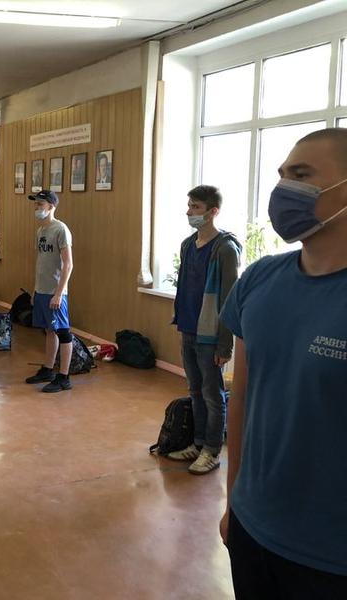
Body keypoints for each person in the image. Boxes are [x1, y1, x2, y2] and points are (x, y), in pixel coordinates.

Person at [219, 128, 347, 597]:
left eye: (301, 174)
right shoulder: (258, 280)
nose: (283, 189)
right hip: (253, 528)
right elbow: (241, 399)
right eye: (281, 175)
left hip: (331, 558)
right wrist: (234, 500)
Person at [168, 185, 241, 475]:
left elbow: (229, 300)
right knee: (195, 389)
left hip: (211, 335)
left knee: (213, 394)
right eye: (189, 206)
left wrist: (225, 345)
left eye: (195, 207)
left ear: (213, 212)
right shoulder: (188, 245)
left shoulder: (225, 249)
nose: (189, 212)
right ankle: (198, 443)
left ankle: (212, 450)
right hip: (188, 327)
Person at [24, 190, 74, 393]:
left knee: (63, 331)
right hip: (42, 289)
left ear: (51, 206)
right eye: (36, 204)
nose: (37, 208)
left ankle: (64, 377)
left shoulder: (60, 229)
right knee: (49, 329)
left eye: (40, 204)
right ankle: (48, 369)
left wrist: (58, 293)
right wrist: (36, 290)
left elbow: (68, 264)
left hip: (55, 291)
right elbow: (41, 262)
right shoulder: (40, 231)